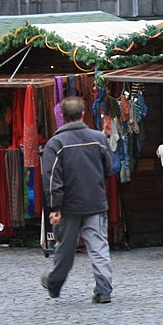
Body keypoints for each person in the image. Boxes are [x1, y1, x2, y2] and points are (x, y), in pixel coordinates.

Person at [41, 96, 115, 304]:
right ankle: (104, 290)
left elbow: (52, 178)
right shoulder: (99, 138)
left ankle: (54, 284)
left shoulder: (56, 143)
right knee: (98, 246)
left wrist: (55, 206)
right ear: (83, 114)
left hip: (68, 205)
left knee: (64, 248)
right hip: (95, 201)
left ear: (62, 117)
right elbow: (109, 169)